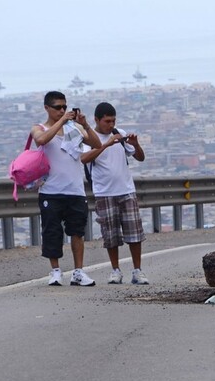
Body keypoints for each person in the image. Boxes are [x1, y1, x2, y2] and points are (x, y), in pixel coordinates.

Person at [32, 91, 102, 286]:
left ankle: (78, 272)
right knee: (52, 233)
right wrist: (62, 121)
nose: (62, 110)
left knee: (77, 232)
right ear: (47, 108)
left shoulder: (75, 129)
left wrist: (85, 125)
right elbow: (41, 140)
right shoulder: (39, 128)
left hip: (75, 190)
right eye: (58, 107)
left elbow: (96, 144)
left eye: (64, 107)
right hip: (50, 190)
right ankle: (55, 271)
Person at [81, 102, 149, 284]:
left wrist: (135, 144)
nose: (111, 125)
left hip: (126, 190)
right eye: (107, 121)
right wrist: (106, 144)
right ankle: (115, 270)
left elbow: (140, 157)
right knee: (110, 235)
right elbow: (84, 158)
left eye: (113, 121)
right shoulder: (90, 138)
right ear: (97, 120)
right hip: (104, 192)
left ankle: (137, 270)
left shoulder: (120, 133)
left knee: (134, 233)